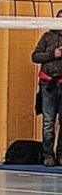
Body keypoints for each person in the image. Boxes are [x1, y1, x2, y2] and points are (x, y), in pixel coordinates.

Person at [31, 10, 62, 167]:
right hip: (48, 85)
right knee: (48, 122)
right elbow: (35, 56)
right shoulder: (47, 37)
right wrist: (53, 54)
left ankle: (61, 155)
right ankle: (48, 155)